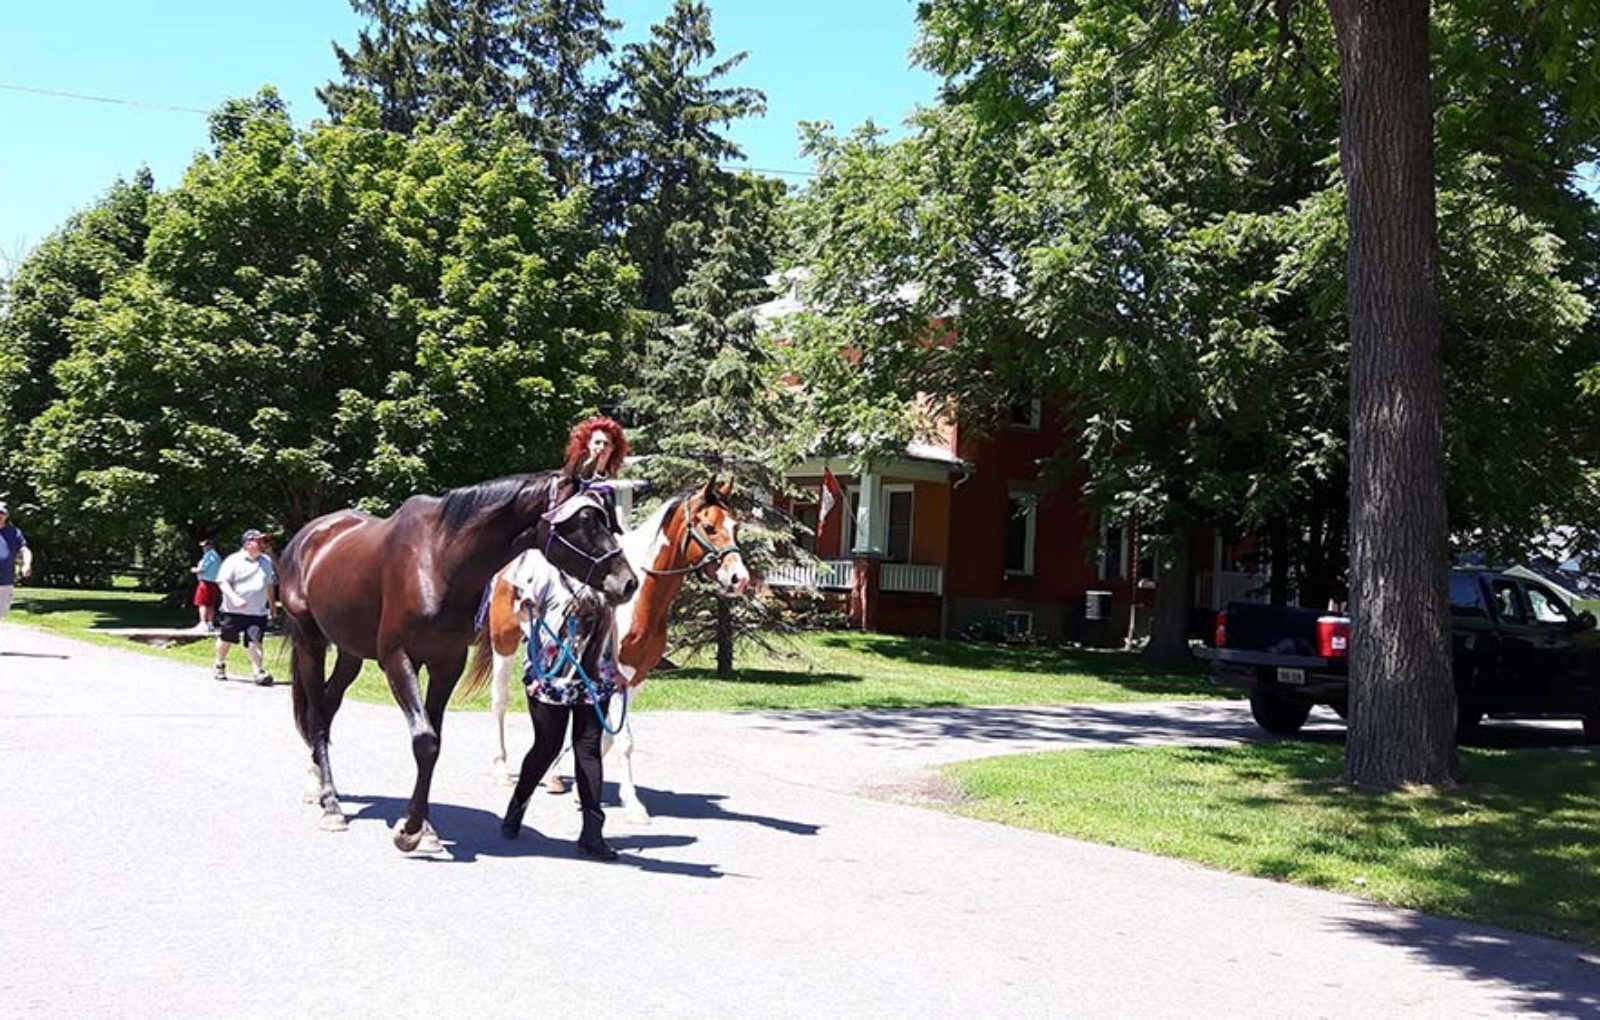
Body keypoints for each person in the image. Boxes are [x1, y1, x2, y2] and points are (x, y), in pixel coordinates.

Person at [214, 529, 275, 686]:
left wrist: (272, 607)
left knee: (256, 640)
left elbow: (269, 585)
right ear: (248, 543)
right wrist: (234, 598)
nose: (263, 543)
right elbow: (222, 582)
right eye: (258, 541)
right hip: (233, 610)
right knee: (226, 639)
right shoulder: (233, 560)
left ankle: (258, 671)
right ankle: (219, 663)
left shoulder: (266, 561)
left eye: (263, 541)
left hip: (257, 611)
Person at [0, 501, 33, 626]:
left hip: (5, 581)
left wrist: (27, 564)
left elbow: (24, 550)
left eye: (1, 513)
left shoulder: (14, 533)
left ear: (6, 515)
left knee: (1, 614)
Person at [189, 538, 223, 632]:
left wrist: (193, 570)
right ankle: (210, 623)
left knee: (202, 603)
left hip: (206, 582)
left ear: (210, 546)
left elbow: (202, 569)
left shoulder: (209, 555)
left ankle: (203, 623)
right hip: (214, 582)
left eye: (205, 546)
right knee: (210, 604)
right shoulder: (216, 556)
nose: (203, 548)